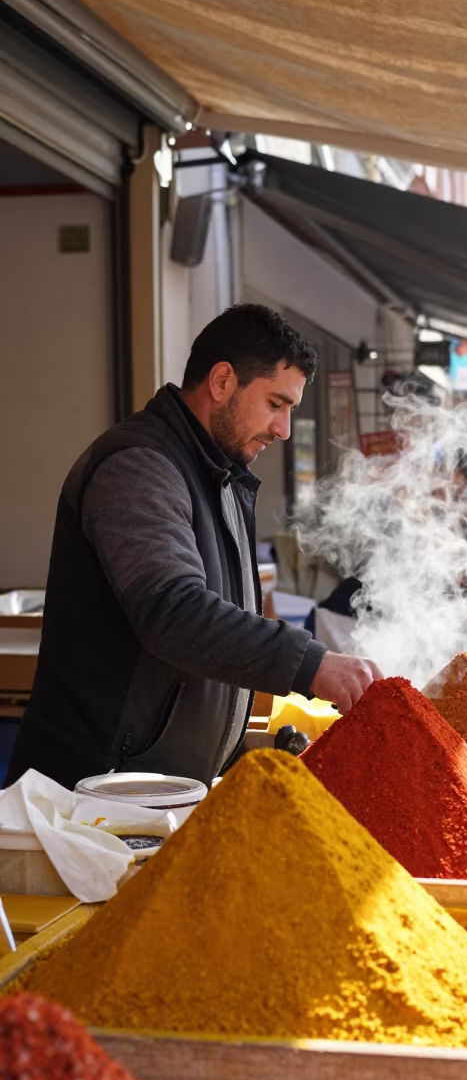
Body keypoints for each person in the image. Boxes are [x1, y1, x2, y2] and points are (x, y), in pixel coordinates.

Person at [6, 305, 382, 790]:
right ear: (222, 381)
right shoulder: (139, 467)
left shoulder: (219, 473)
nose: (284, 429)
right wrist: (312, 664)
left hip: (154, 788)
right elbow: (173, 610)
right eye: (276, 403)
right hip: (93, 793)